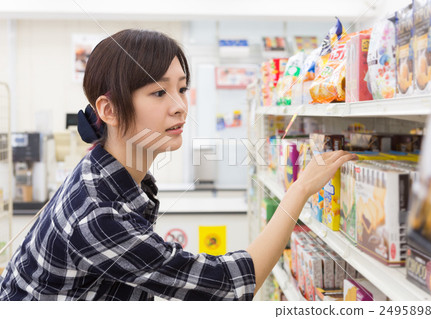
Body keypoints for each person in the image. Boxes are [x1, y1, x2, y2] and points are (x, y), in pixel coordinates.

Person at [0, 29, 357, 301]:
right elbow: (229, 286)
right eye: (159, 92)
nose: (180, 106)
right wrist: (300, 189)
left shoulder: (111, 171)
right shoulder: (97, 214)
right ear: (108, 110)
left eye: (182, 89)